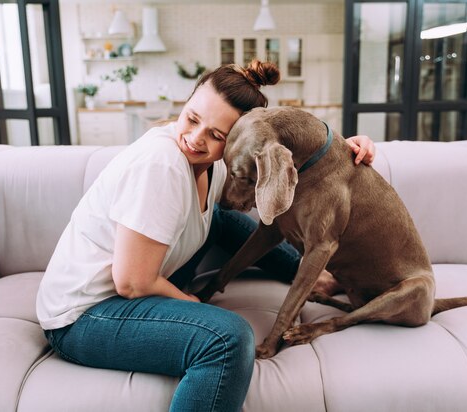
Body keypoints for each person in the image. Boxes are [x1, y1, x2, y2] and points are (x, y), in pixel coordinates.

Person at [36, 60, 375, 412]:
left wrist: (341, 150)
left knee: (222, 219)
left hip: (144, 278)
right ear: (186, 104)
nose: (195, 139)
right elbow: (132, 283)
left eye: (217, 135)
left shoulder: (216, 164)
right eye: (192, 118)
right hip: (84, 317)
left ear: (237, 141)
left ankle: (317, 279)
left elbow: (288, 161)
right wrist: (189, 304)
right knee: (227, 340)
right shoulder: (161, 164)